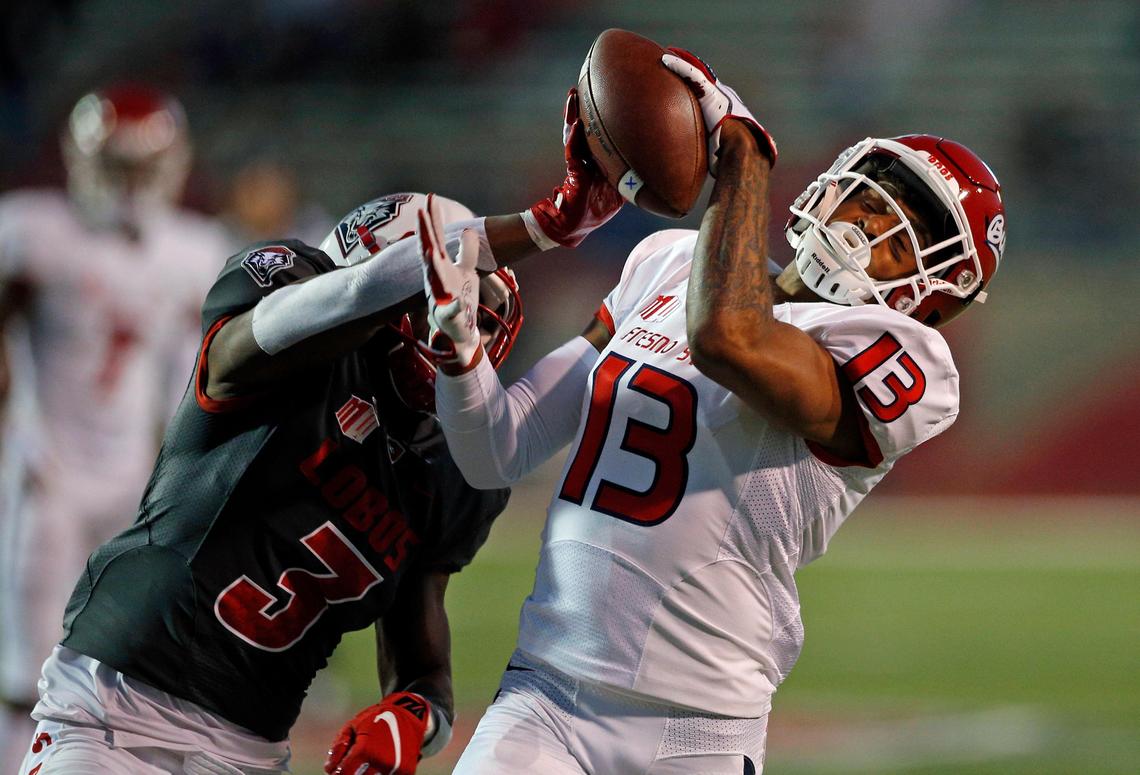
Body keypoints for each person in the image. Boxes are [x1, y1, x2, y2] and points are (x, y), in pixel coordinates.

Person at [427, 48, 1006, 774]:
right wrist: (457, 352)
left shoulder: (905, 355)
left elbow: (728, 337)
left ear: (939, 290)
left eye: (909, 229)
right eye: (873, 193)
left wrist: (742, 152)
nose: (872, 224)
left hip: (697, 731)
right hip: (545, 693)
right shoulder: (669, 261)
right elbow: (498, 450)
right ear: (832, 180)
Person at [15, 86, 623, 774]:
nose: (464, 323)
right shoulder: (285, 340)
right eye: (441, 292)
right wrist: (544, 224)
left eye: (482, 309)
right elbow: (341, 300)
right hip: (114, 708)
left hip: (249, 749)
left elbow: (424, 671)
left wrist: (412, 720)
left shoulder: (459, 464)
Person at [0, 84, 233, 769]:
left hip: (141, 485)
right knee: (29, 677)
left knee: (135, 681)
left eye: (142, 168)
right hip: (48, 475)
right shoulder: (35, 231)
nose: (130, 184)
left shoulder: (193, 250)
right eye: (118, 167)